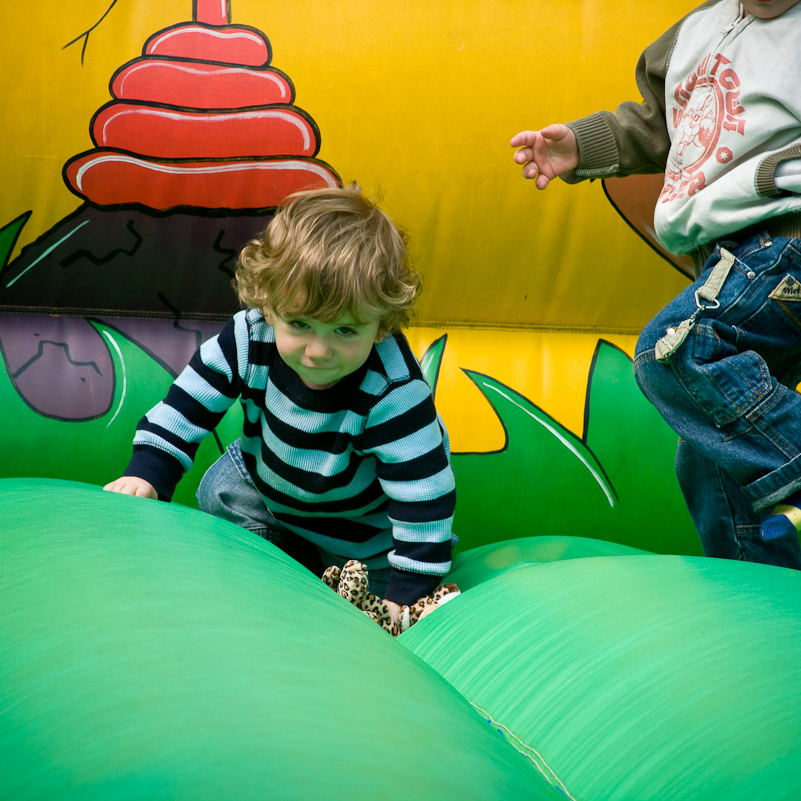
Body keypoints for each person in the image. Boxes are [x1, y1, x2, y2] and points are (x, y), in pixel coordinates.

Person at [510, 0, 801, 567]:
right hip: (730, 260)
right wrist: (580, 145)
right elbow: (662, 123)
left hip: (786, 242)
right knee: (710, 449)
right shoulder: (695, 33)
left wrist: (776, 172)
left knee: (678, 348)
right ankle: (760, 589)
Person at [105, 185, 457, 621]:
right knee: (223, 489)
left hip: (363, 537)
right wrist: (148, 473)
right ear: (268, 305)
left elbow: (425, 497)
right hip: (268, 494)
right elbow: (189, 403)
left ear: (382, 324)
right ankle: (279, 565)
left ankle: (332, 585)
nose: (317, 350)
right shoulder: (250, 337)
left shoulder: (394, 391)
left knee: (377, 611)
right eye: (301, 324)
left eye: (345, 331)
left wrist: (408, 592)